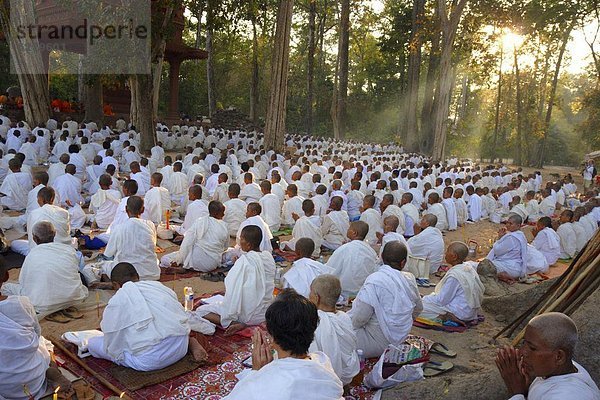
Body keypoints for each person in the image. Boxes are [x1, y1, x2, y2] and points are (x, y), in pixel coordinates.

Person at [223, 289, 344, 400]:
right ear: (312, 331)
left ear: (271, 337)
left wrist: (256, 373)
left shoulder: (261, 383)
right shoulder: (322, 362)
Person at [87, 262, 207, 371]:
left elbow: (112, 340)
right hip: (181, 347)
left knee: (93, 343)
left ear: (115, 284)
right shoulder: (158, 286)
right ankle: (190, 341)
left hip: (150, 362)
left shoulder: (117, 301)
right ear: (138, 277)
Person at [0, 262, 75, 400]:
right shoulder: (22, 303)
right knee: (42, 341)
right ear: (6, 276)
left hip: (4, 389)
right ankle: (51, 366)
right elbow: (37, 333)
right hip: (33, 380)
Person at [496, 312, 600, 400]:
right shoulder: (560, 369)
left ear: (559, 357)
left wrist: (516, 392)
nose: (522, 351)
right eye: (524, 342)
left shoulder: (567, 396)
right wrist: (525, 391)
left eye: (532, 348)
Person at [195, 225, 276, 335]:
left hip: (247, 316)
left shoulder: (245, 261)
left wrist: (238, 264)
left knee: (201, 310)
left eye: (242, 238)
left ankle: (235, 322)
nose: (239, 241)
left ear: (249, 244)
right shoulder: (268, 257)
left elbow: (232, 288)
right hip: (266, 312)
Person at [349, 241, 422, 358]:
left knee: (336, 334)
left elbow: (359, 318)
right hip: (400, 339)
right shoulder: (410, 279)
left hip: (377, 344)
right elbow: (418, 309)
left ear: (381, 257)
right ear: (403, 263)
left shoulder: (375, 280)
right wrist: (399, 327)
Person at [1, 221, 88, 318]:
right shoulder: (69, 250)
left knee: (6, 287)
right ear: (55, 234)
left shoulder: (32, 254)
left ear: (34, 238)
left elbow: (24, 282)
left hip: (41, 305)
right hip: (74, 298)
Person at [308, 274, 360, 386]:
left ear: (317, 298)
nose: (308, 296)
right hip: (346, 376)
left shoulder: (312, 320)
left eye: (310, 293)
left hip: (324, 379)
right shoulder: (344, 317)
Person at [95, 196, 160, 281]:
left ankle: (111, 282)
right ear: (143, 210)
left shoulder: (119, 228)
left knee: (98, 265)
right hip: (151, 273)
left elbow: (108, 254)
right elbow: (152, 245)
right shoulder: (150, 225)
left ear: (126, 209)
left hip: (126, 275)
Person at [420, 242, 484, 323]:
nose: (445, 254)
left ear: (454, 256)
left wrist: (423, 298)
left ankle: (447, 316)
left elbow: (441, 300)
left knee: (416, 306)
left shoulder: (455, 275)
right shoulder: (468, 267)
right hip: (470, 312)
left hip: (460, 313)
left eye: (447, 252)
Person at [161, 201, 229, 272]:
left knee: (165, 259)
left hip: (195, 261)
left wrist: (179, 259)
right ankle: (186, 266)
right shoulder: (225, 226)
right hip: (213, 264)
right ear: (216, 213)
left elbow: (187, 242)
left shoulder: (200, 222)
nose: (224, 214)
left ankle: (185, 266)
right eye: (222, 212)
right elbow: (225, 247)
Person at [11, 187, 74, 256]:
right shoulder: (64, 212)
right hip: (63, 250)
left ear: (39, 199)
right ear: (52, 199)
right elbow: (66, 233)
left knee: (14, 244)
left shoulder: (34, 213)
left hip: (38, 252)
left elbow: (31, 237)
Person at [327, 221, 378, 297]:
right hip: (364, 291)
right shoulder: (370, 251)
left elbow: (330, 269)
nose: (347, 230)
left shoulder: (344, 249)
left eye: (349, 228)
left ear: (354, 233)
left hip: (344, 292)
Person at [478, 213, 528, 283]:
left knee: (481, 267)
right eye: (507, 222)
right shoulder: (520, 235)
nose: (507, 225)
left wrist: (499, 238)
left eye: (510, 224)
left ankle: (505, 276)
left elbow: (497, 251)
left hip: (510, 267)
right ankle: (502, 276)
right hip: (515, 267)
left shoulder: (512, 237)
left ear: (518, 226)